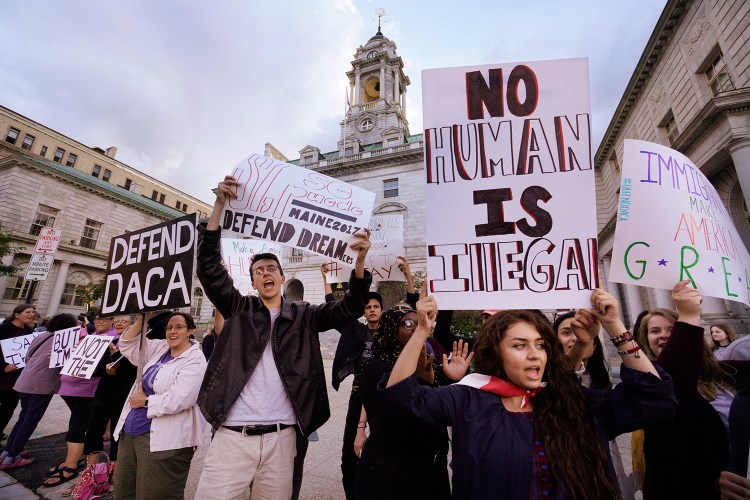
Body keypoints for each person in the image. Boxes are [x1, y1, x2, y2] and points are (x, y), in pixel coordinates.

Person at [384, 289, 677, 499]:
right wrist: (423, 330)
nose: (534, 355)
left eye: (540, 345)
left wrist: (615, 325)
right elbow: (401, 395)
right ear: (496, 353)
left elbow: (655, 399)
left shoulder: (573, 404)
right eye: (520, 345)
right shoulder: (469, 398)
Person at [193, 174, 373, 500]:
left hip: (282, 439)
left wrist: (359, 261)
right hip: (233, 437)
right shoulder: (238, 308)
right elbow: (208, 266)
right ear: (252, 282)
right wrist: (219, 205)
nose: (265, 273)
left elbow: (350, 308)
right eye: (258, 270)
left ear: (282, 276)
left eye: (270, 268)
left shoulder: (305, 315)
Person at [356, 304, 472, 499]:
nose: (415, 328)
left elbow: (447, 409)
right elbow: (390, 419)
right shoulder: (376, 367)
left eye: (419, 324)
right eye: (408, 323)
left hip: (430, 468)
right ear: (391, 328)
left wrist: (453, 378)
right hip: (390, 473)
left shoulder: (429, 361)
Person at [633, 281, 731, 499]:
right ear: (646, 340)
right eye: (654, 331)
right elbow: (674, 382)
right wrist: (688, 316)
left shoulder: (719, 376)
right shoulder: (650, 383)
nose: (664, 335)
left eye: (672, 329)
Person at [112, 312, 207, 499]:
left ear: (191, 330)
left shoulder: (195, 359)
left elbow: (181, 399)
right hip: (130, 432)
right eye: (169, 327)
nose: (172, 331)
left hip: (162, 441)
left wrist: (146, 402)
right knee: (124, 491)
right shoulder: (160, 348)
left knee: (155, 493)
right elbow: (127, 345)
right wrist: (142, 319)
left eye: (179, 327)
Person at [323, 262, 384, 499]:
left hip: (382, 397)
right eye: (367, 306)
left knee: (382, 449)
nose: (371, 310)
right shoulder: (357, 330)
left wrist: (411, 278)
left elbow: (411, 308)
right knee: (349, 452)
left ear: (381, 310)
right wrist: (326, 280)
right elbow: (333, 310)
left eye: (375, 306)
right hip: (359, 394)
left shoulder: (390, 332)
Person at [44, 313, 115, 487]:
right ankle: (76, 458)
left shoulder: (112, 338)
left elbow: (106, 366)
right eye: (97, 319)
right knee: (79, 425)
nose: (99, 321)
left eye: (104, 319)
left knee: (77, 427)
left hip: (87, 390)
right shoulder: (90, 336)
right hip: (70, 387)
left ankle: (71, 465)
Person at [0, 313, 78, 470]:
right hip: (41, 385)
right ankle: (12, 457)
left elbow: (27, 356)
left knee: (23, 417)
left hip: (25, 380)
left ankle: (8, 451)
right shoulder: (63, 340)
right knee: (30, 420)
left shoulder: (41, 335)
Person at [82, 315, 138, 467]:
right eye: (117, 321)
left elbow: (131, 370)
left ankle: (114, 472)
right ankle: (90, 472)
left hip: (122, 395)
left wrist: (113, 350)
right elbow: (97, 369)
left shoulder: (136, 345)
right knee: (93, 430)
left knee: (116, 433)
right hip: (103, 393)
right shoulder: (108, 341)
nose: (119, 323)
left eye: (124, 321)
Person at [0, 304, 35, 440]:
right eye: (27, 312)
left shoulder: (29, 333)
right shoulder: (4, 329)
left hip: (16, 378)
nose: (31, 314)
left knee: (8, 409)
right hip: (2, 374)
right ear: (17, 315)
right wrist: (3, 365)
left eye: (33, 312)